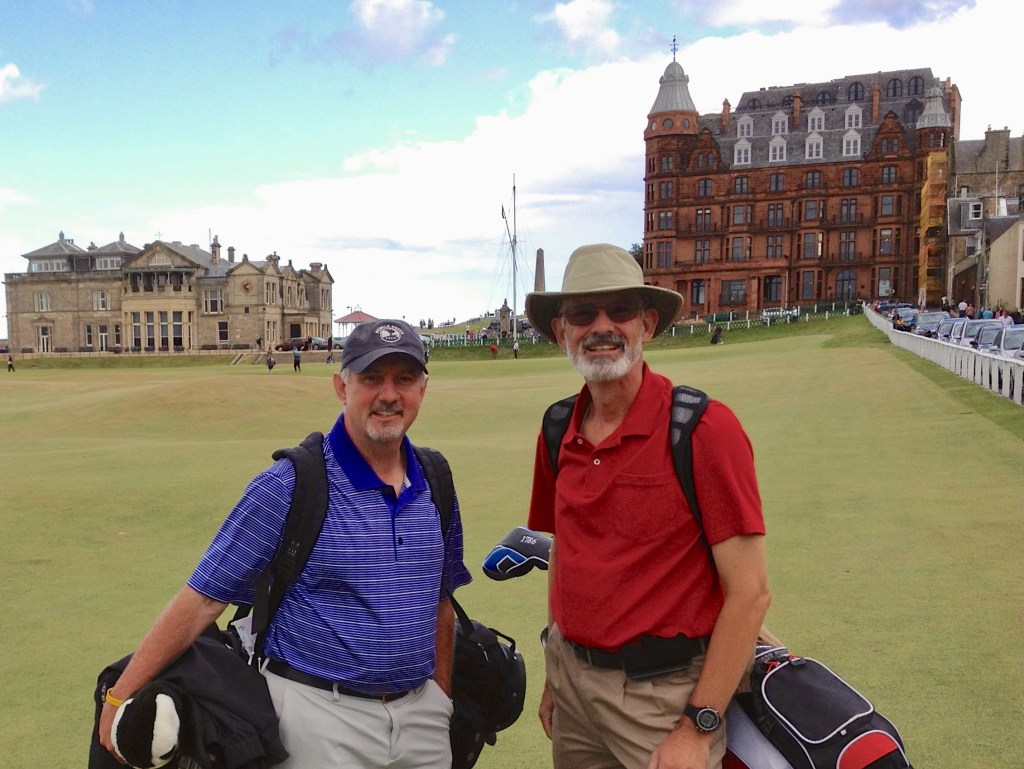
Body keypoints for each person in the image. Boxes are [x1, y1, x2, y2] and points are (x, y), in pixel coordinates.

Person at [98, 318, 472, 769]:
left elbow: (440, 600)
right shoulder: (290, 484)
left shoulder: (435, 478)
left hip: (422, 722)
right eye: (372, 378)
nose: (389, 395)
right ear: (342, 387)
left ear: (422, 390)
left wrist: (440, 698)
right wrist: (120, 695)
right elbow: (202, 600)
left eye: (405, 379)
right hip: (318, 720)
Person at [524, 244, 770, 769]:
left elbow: (750, 593)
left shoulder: (704, 429)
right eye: (582, 314)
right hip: (574, 690)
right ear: (561, 332)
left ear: (648, 324)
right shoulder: (557, 427)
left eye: (620, 311)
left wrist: (698, 726)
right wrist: (555, 671)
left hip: (664, 701)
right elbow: (565, 554)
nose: (602, 327)